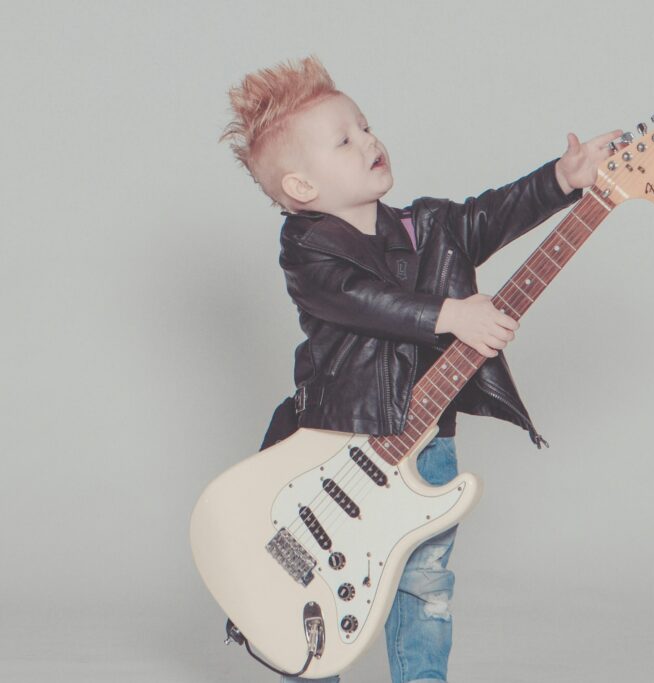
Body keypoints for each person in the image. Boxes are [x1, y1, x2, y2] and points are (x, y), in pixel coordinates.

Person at [220, 54, 621, 683]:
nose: (369, 141)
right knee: (324, 586)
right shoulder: (306, 247)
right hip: (335, 447)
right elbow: (354, 296)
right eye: (344, 140)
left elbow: (492, 214)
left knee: (425, 585)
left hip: (428, 443)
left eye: (366, 126)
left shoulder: (429, 225)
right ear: (301, 187)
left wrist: (562, 180)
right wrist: (450, 315)